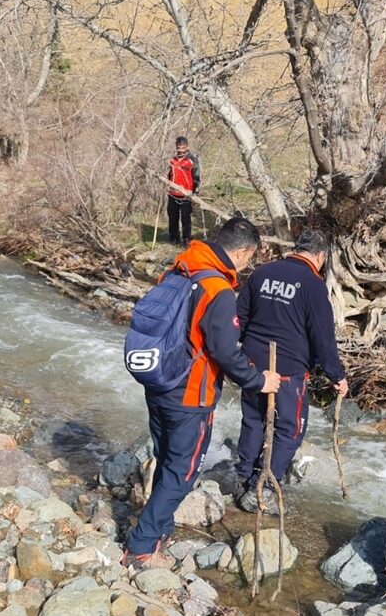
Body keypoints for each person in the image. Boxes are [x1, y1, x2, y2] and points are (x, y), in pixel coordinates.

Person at [124, 217, 280, 569]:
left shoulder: (179, 270)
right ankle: (141, 547)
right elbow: (226, 353)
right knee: (182, 471)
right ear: (241, 252)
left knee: (166, 458)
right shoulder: (218, 291)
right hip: (191, 395)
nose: (246, 265)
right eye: (249, 258)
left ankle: (159, 530)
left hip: (160, 382)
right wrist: (260, 381)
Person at [234, 229, 348, 514]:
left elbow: (241, 314)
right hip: (287, 371)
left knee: (253, 420)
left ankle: (244, 476)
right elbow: (323, 336)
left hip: (252, 365)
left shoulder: (262, 272)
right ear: (320, 256)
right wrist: (337, 375)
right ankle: (265, 487)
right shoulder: (313, 284)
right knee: (290, 429)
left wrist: (246, 349)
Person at [166, 136, 201, 246]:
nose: (181, 150)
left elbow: (196, 177)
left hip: (186, 194)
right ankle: (174, 238)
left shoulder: (192, 160)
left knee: (186, 218)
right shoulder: (173, 160)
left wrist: (194, 193)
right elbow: (170, 175)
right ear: (176, 147)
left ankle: (186, 239)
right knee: (173, 217)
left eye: (183, 147)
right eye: (179, 148)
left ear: (187, 147)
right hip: (173, 194)